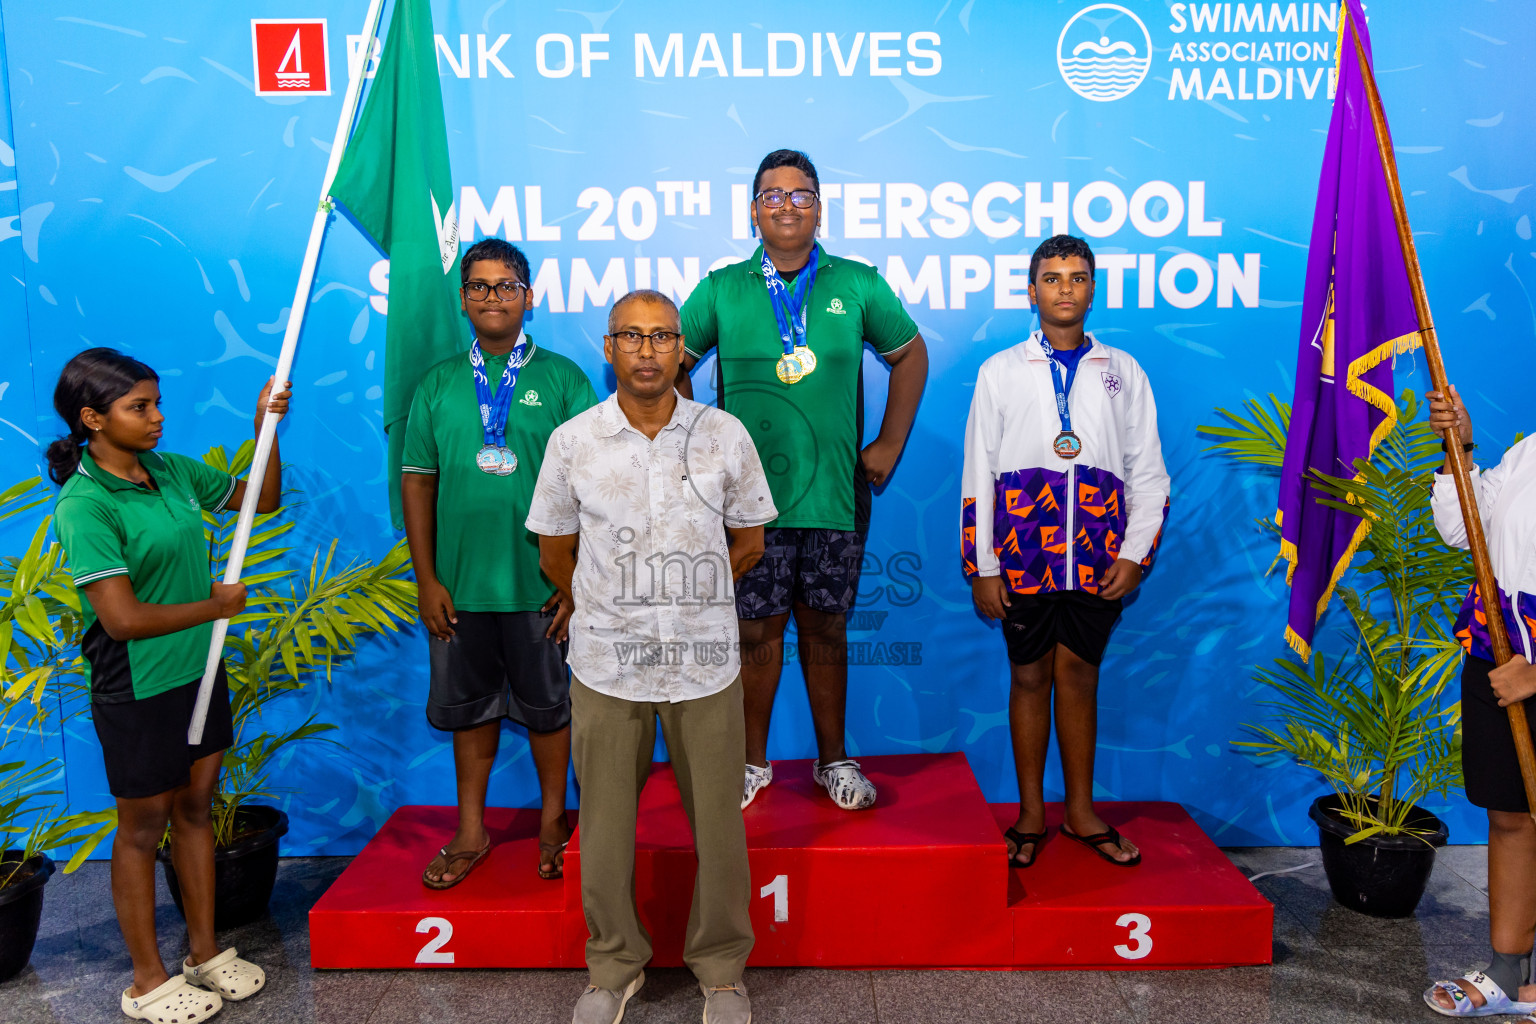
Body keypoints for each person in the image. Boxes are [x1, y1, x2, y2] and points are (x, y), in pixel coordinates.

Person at [528, 289, 776, 1024]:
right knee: (604, 825)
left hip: (705, 662)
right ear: (608, 348)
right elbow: (553, 549)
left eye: (661, 336)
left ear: (680, 349)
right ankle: (614, 966)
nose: (646, 350)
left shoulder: (723, 434)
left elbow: (752, 539)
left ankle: (723, 970)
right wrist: (605, 598)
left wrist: (693, 594)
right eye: (630, 337)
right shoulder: (573, 440)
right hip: (608, 663)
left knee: (719, 828)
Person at [676, 148, 929, 811]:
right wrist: (695, 446)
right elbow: (670, 364)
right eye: (773, 195)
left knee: (825, 629)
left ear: (819, 206)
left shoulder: (858, 283)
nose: (787, 205)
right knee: (755, 633)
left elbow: (909, 354)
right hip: (746, 503)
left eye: (801, 194)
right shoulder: (722, 288)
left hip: (834, 496)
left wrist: (891, 444)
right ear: (754, 209)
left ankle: (833, 760)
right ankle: (750, 763)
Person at [48, 348, 288, 1022]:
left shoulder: (171, 472)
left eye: (156, 403)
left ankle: (203, 954)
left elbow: (261, 499)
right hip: (139, 687)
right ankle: (147, 982)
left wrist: (262, 429)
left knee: (194, 809)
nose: (157, 418)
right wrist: (215, 606)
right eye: (138, 407)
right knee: (141, 827)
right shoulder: (86, 504)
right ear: (93, 419)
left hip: (200, 672)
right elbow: (121, 620)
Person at [960, 234, 1170, 869]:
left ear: (1093, 289)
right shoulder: (1001, 371)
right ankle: (1030, 813)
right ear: (1032, 290)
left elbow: (1148, 472)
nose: (1065, 289)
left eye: (1077, 278)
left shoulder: (1122, 371)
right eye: (1052, 278)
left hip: (1098, 558)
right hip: (1025, 554)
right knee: (1029, 677)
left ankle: (1080, 812)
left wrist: (1136, 554)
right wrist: (983, 565)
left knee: (1079, 677)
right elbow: (979, 472)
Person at [402, 238, 598, 887]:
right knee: (470, 711)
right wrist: (427, 578)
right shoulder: (436, 385)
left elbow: (593, 489)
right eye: (479, 286)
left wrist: (575, 584)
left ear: (528, 298)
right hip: (459, 588)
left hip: (542, 586)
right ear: (463, 300)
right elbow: (419, 484)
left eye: (505, 285)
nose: (492, 296)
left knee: (549, 709)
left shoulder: (565, 379)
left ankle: (551, 820)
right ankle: (471, 829)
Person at [1423, 384, 1536, 1017]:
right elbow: (1460, 528)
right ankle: (1507, 971)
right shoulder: (1530, 455)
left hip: (1530, 669)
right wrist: (1458, 449)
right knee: (1511, 814)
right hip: (1497, 652)